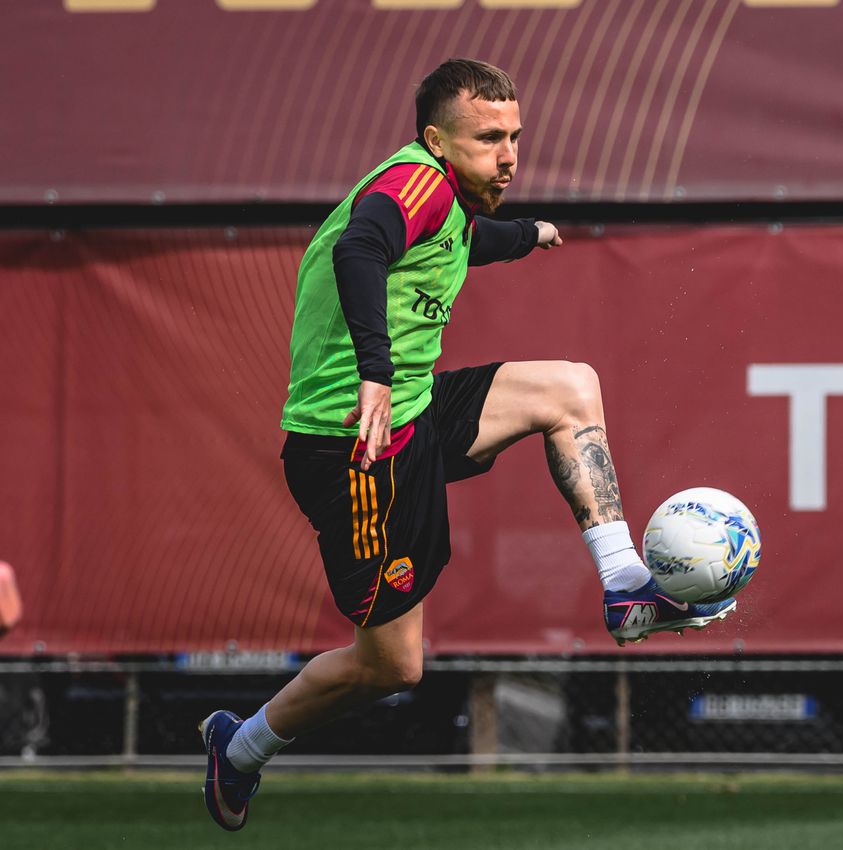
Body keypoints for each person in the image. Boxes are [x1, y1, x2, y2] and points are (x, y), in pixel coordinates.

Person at [198, 58, 735, 832]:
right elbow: (361, 248)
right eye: (488, 138)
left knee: (568, 387)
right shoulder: (411, 182)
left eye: (515, 136)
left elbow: (461, 240)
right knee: (392, 667)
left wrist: (526, 235)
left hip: (412, 414)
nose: (509, 154)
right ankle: (239, 748)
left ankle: (624, 584)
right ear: (434, 141)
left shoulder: (445, 200)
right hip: (354, 448)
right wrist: (375, 374)